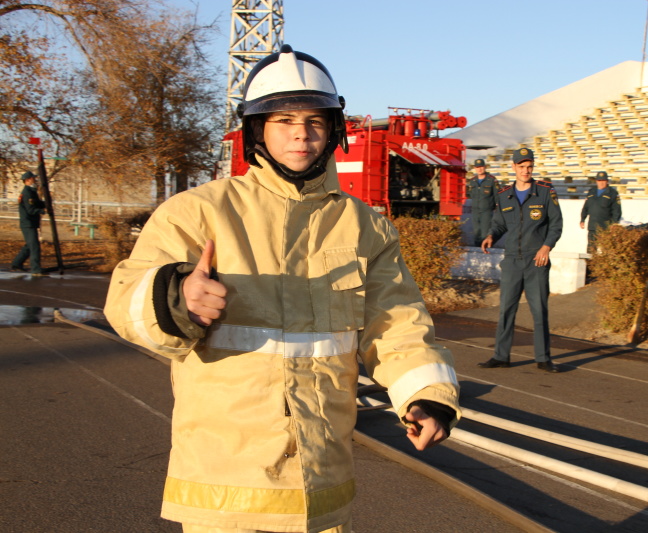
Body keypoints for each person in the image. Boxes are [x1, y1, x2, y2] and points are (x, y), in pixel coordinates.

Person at [104, 45, 460, 533]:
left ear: (334, 130)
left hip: (321, 481)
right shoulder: (198, 212)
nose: (301, 132)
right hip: (225, 483)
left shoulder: (364, 227)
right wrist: (174, 299)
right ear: (256, 130)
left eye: (315, 120)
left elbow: (397, 322)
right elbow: (124, 300)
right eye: (283, 118)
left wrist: (426, 394)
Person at [477, 147, 563, 373]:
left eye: (529, 166)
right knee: (506, 309)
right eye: (521, 166)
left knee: (539, 309)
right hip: (512, 260)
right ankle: (500, 356)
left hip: (537, 260)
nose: (526, 170)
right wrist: (490, 236)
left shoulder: (544, 191)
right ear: (514, 167)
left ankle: (543, 358)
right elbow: (500, 223)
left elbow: (556, 224)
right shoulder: (504, 194)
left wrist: (546, 247)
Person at [11, 170, 46, 275]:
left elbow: (38, 204)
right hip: (28, 224)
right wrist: (43, 211)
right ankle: (35, 269)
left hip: (31, 223)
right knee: (34, 246)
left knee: (29, 245)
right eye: (33, 178)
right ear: (28, 180)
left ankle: (17, 264)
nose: (35, 180)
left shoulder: (31, 191)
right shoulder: (27, 193)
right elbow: (30, 210)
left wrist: (46, 204)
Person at [579, 170, 621, 252]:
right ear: (596, 181)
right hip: (593, 227)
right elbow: (586, 207)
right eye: (599, 180)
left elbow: (617, 210)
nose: (601, 183)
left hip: (605, 228)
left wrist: (614, 224)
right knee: (591, 251)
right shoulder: (591, 192)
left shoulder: (612, 193)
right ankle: (590, 265)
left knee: (606, 251)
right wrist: (582, 219)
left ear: (607, 181)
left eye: (603, 180)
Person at [467, 158, 499, 246]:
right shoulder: (472, 181)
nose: (479, 169)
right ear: (475, 168)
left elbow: (497, 195)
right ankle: (477, 249)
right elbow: (471, 195)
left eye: (481, 167)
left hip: (486, 210)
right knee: (476, 231)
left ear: (485, 167)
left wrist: (497, 206)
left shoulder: (491, 180)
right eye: (477, 167)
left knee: (485, 231)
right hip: (475, 210)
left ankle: (486, 248)